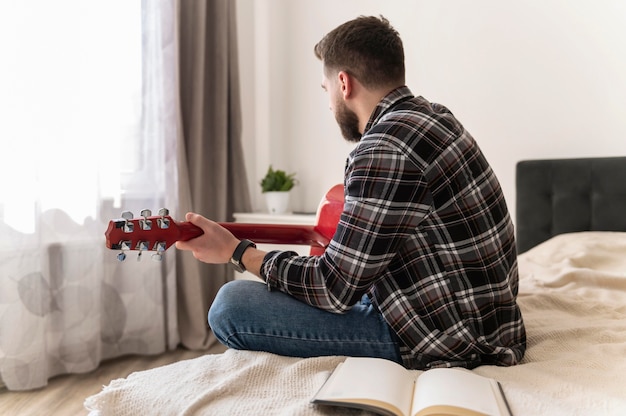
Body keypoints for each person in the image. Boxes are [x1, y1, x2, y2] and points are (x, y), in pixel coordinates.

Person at [176, 15, 526, 369]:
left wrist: (238, 252)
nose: (329, 103)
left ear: (343, 83)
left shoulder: (383, 148)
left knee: (230, 306)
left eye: (325, 89)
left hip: (447, 339)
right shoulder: (438, 118)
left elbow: (333, 288)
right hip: (489, 323)